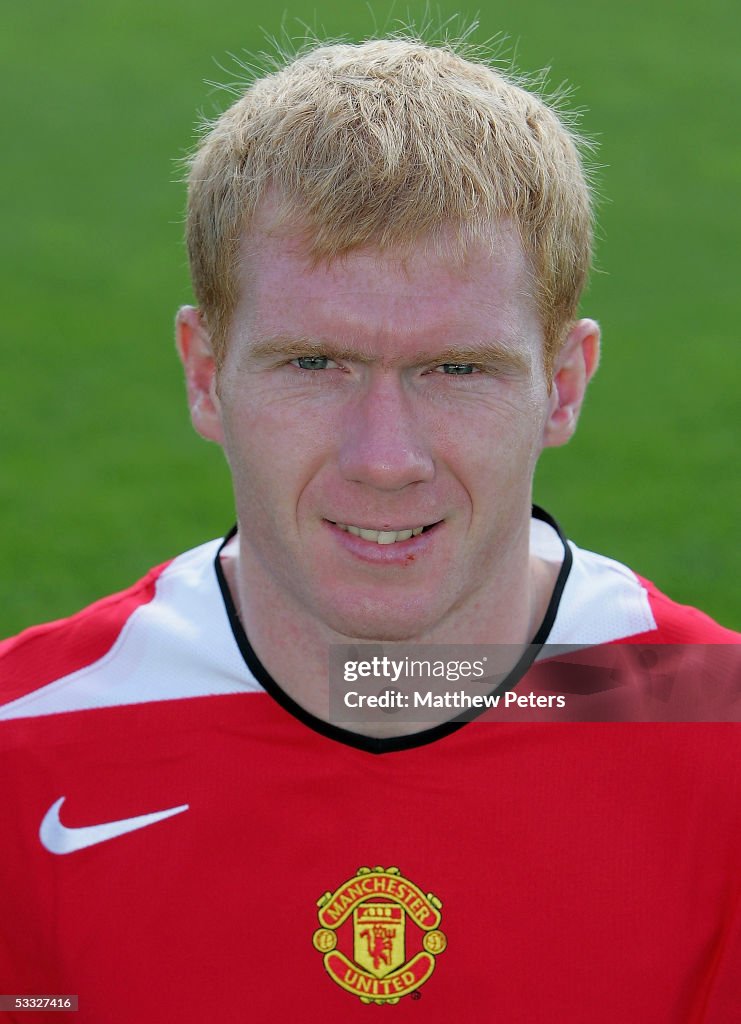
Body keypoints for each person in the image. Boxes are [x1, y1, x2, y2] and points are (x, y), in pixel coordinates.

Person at [1, 35, 738, 1023]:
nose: (385, 457)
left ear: (564, 386)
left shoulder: (718, 736)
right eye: (315, 363)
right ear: (202, 372)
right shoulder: (22, 747)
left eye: (458, 369)